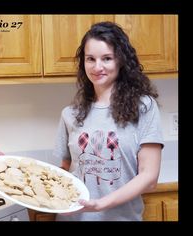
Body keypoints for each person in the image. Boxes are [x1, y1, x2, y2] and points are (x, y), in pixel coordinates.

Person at [53, 21, 164, 221]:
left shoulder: (143, 107)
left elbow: (149, 178)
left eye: (106, 58)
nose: (97, 67)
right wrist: (22, 170)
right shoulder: (70, 113)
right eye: (90, 59)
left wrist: (99, 205)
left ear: (120, 61)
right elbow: (65, 171)